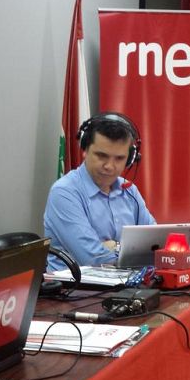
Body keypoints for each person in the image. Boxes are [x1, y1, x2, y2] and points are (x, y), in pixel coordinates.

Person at [43, 112, 156, 270]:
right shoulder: (64, 192)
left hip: (127, 285)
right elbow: (93, 258)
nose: (109, 166)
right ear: (85, 150)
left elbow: (155, 246)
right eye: (101, 156)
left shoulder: (130, 191)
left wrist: (115, 246)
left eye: (119, 158)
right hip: (75, 290)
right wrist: (129, 250)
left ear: (130, 159)